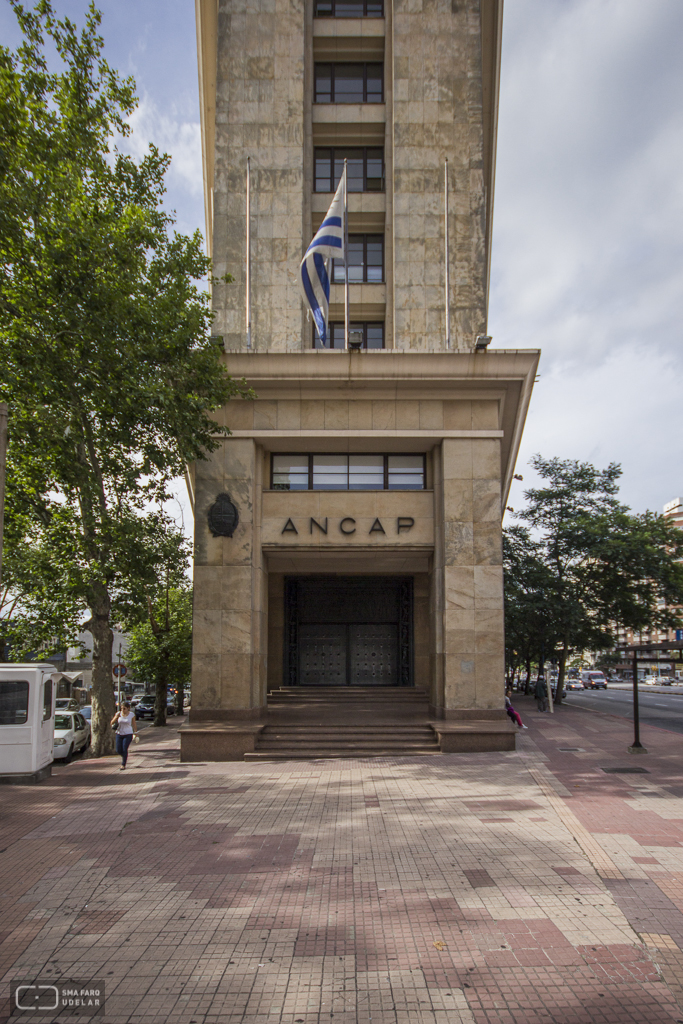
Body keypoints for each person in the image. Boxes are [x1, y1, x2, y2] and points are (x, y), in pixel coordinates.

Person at [111, 702, 138, 770]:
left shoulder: (131, 714)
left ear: (128, 708)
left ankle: (123, 764)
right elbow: (111, 722)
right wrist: (116, 717)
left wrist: (136, 732)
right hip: (119, 733)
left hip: (128, 734)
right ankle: (124, 756)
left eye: (124, 708)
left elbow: (134, 724)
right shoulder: (118, 714)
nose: (122, 710)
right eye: (121, 708)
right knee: (118, 750)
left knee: (124, 748)